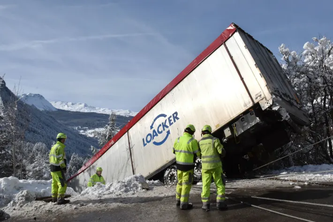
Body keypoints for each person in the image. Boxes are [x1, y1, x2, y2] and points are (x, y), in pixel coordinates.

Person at [198, 125, 227, 211]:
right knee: (219, 184)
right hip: (216, 167)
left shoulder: (200, 142)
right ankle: (220, 203)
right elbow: (221, 151)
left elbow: (199, 155)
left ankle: (205, 204)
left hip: (205, 168)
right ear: (210, 131)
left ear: (202, 132)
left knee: (205, 185)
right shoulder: (215, 140)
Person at [173, 124, 200, 210]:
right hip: (188, 167)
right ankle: (184, 204)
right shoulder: (193, 141)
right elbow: (198, 154)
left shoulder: (177, 140)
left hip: (179, 166)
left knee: (179, 183)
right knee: (186, 185)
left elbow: (174, 151)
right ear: (192, 132)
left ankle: (178, 200)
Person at [49, 133, 69, 204]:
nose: (65, 141)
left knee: (54, 183)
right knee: (62, 183)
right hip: (58, 168)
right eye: (64, 139)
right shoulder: (60, 147)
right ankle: (60, 199)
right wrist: (63, 167)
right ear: (61, 139)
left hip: (52, 167)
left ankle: (54, 197)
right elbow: (60, 159)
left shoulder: (54, 147)